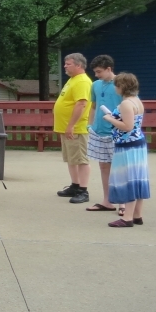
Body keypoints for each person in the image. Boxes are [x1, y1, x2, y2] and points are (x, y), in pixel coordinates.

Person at [104, 73, 151, 227]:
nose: (115, 88)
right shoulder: (137, 101)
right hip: (138, 143)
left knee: (127, 178)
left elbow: (127, 126)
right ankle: (137, 215)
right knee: (137, 177)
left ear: (122, 86)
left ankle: (127, 218)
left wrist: (110, 119)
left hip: (127, 145)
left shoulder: (125, 103)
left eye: (116, 85)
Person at [85, 55, 123, 214]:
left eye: (99, 71)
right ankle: (107, 201)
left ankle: (123, 204)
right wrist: (90, 125)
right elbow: (93, 106)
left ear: (109, 69)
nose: (97, 75)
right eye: (95, 72)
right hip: (98, 131)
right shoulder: (95, 85)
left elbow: (130, 105)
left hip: (116, 131)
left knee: (120, 168)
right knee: (104, 166)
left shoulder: (122, 84)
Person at [54, 53, 93, 203]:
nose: (65, 66)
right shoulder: (72, 80)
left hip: (76, 128)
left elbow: (81, 103)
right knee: (71, 158)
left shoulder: (82, 81)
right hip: (66, 127)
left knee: (81, 159)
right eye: (65, 63)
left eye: (68, 64)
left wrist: (71, 125)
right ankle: (75, 185)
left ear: (79, 65)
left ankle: (83, 190)